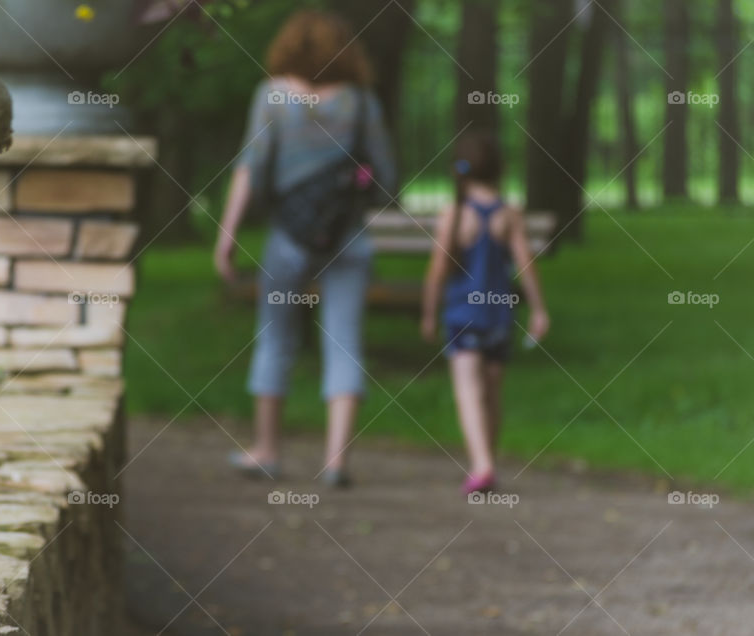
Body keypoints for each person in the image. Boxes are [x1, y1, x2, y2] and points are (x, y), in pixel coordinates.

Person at [214, 9, 397, 487]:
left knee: (276, 337)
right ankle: (336, 462)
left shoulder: (271, 96)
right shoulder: (361, 103)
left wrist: (227, 236)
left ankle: (267, 450)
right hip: (349, 238)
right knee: (345, 342)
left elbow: (250, 169)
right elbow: (385, 179)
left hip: (288, 241)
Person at [420, 131, 549, 495]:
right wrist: (539, 309)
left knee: (468, 391)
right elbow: (526, 264)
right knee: (492, 392)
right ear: (498, 169)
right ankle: (487, 460)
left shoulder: (455, 214)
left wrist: (429, 312)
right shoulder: (508, 213)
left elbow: (437, 270)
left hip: (462, 317)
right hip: (499, 318)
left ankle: (482, 465)